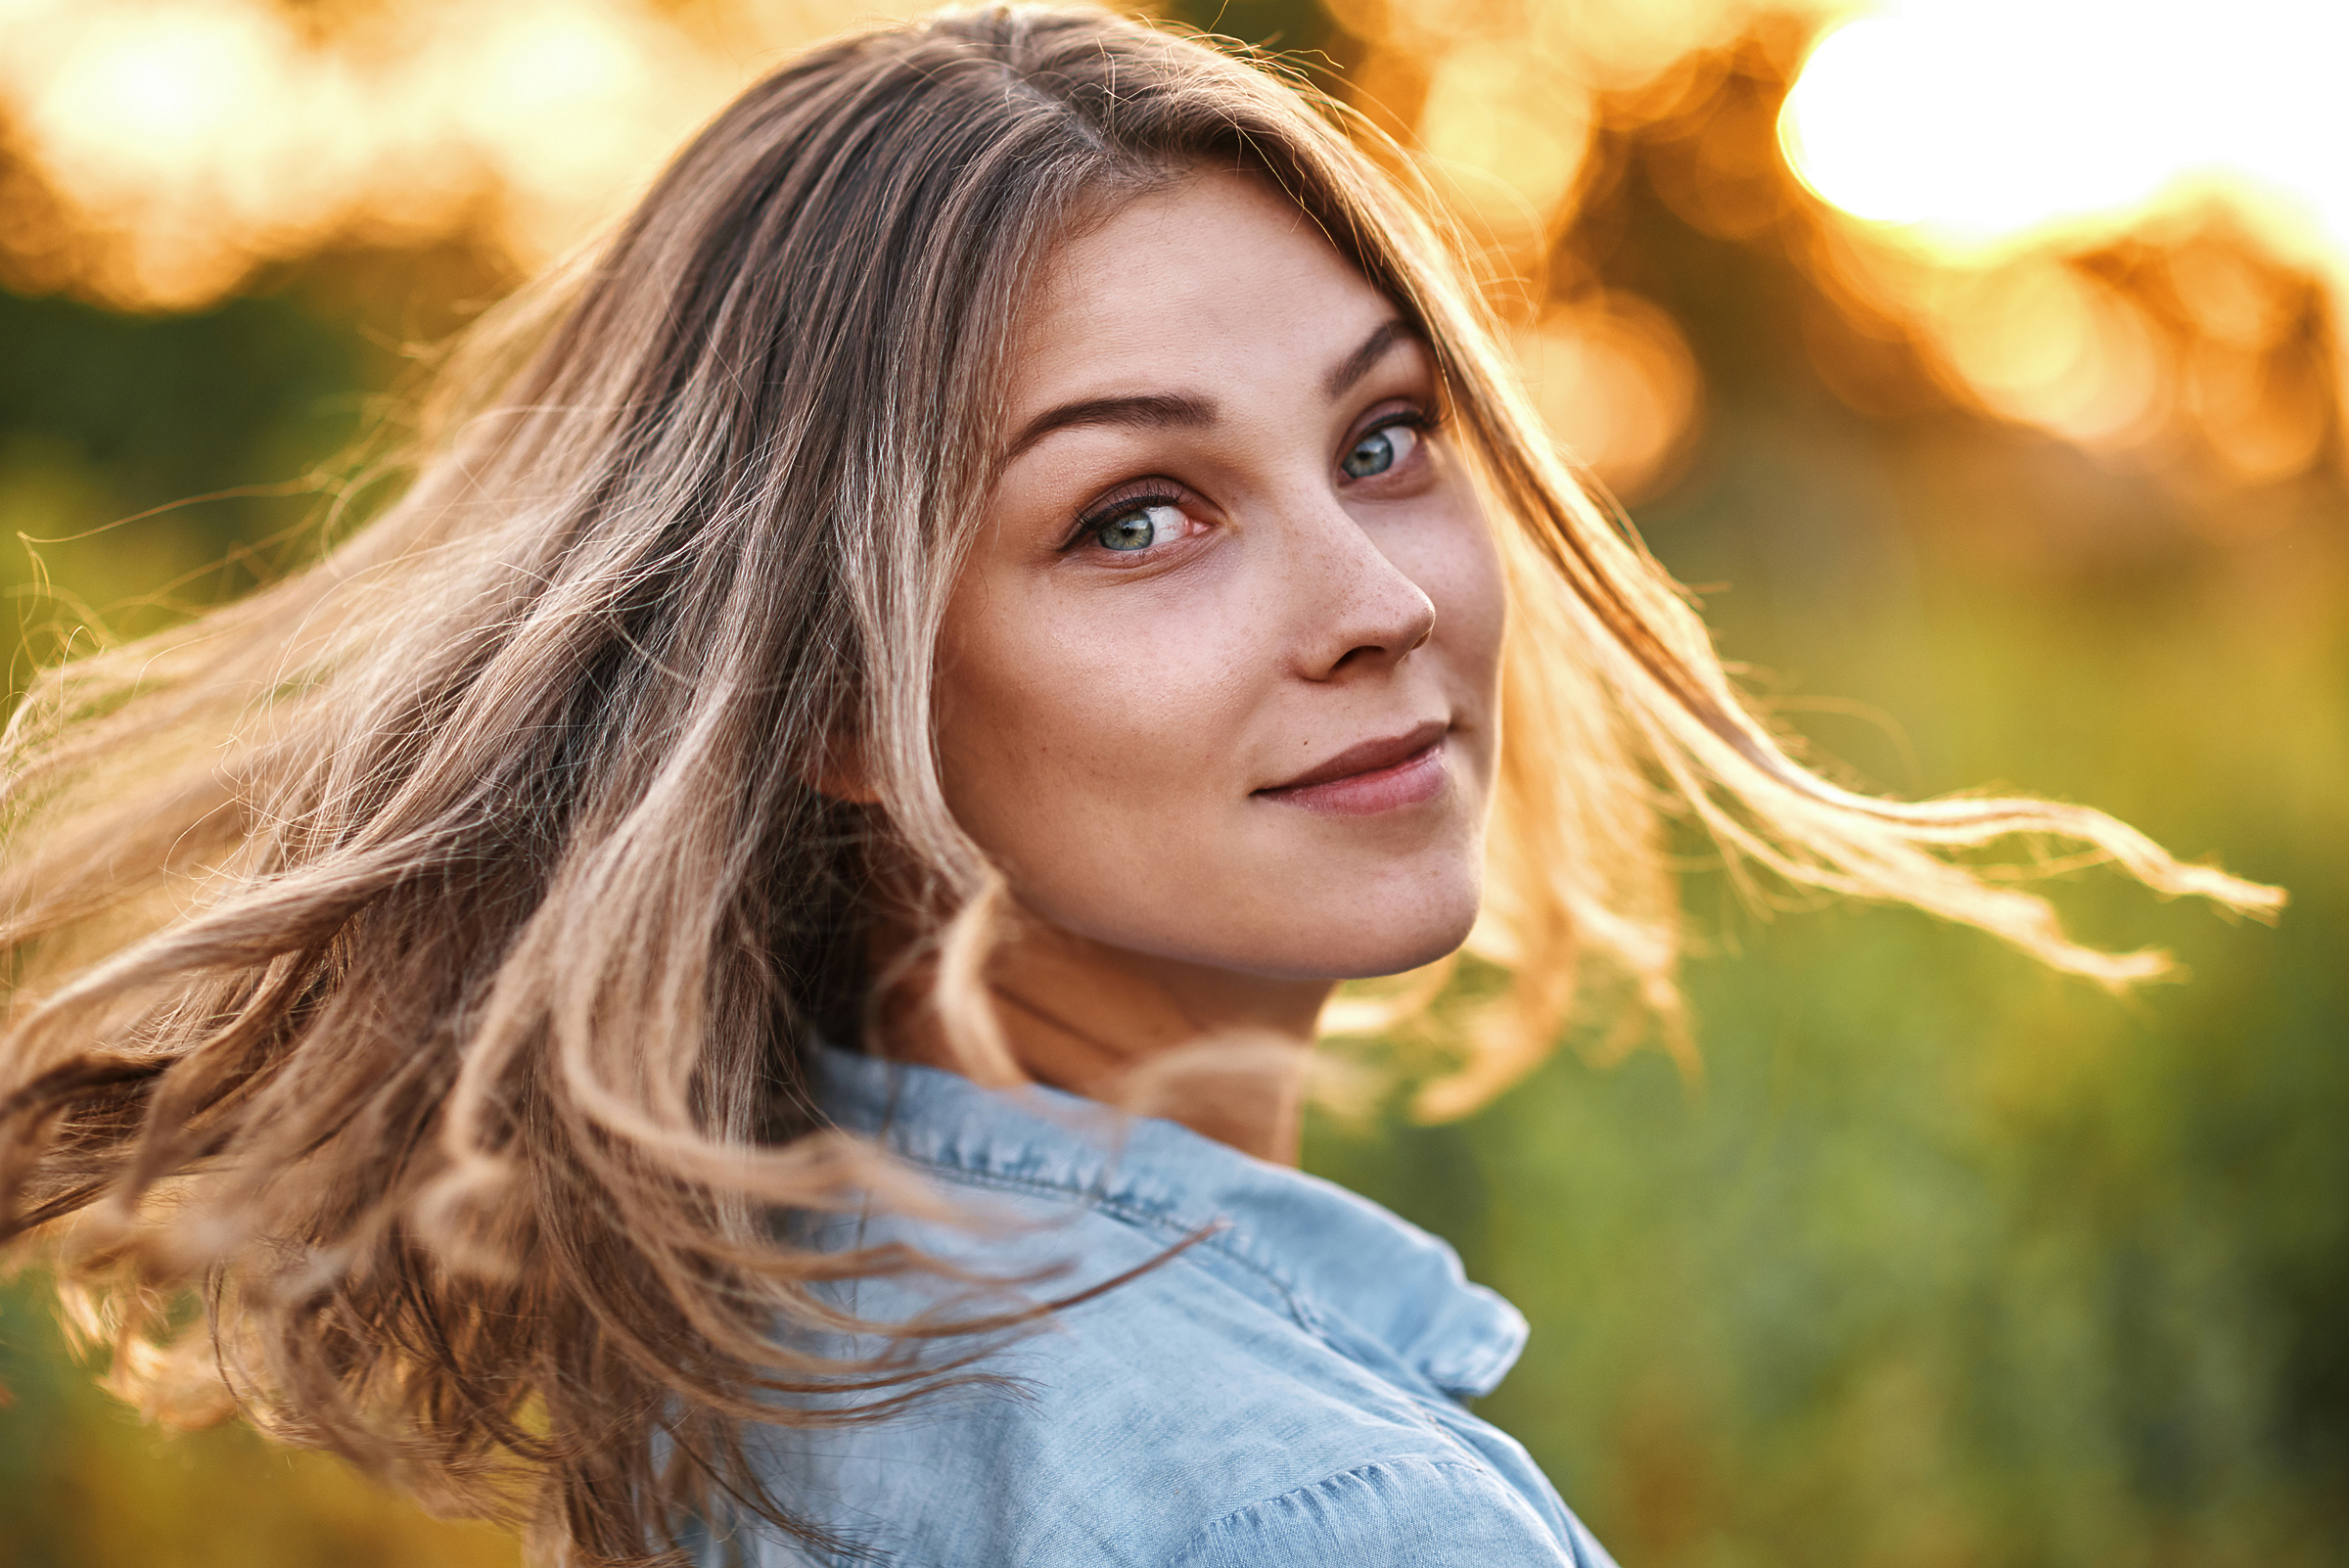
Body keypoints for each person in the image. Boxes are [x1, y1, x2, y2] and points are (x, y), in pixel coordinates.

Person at [0, 6, 2279, 1565]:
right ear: (827, 698)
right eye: (1135, 517)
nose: (1377, 594)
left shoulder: (770, 1356)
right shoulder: (1303, 1513)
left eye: (1384, 441)